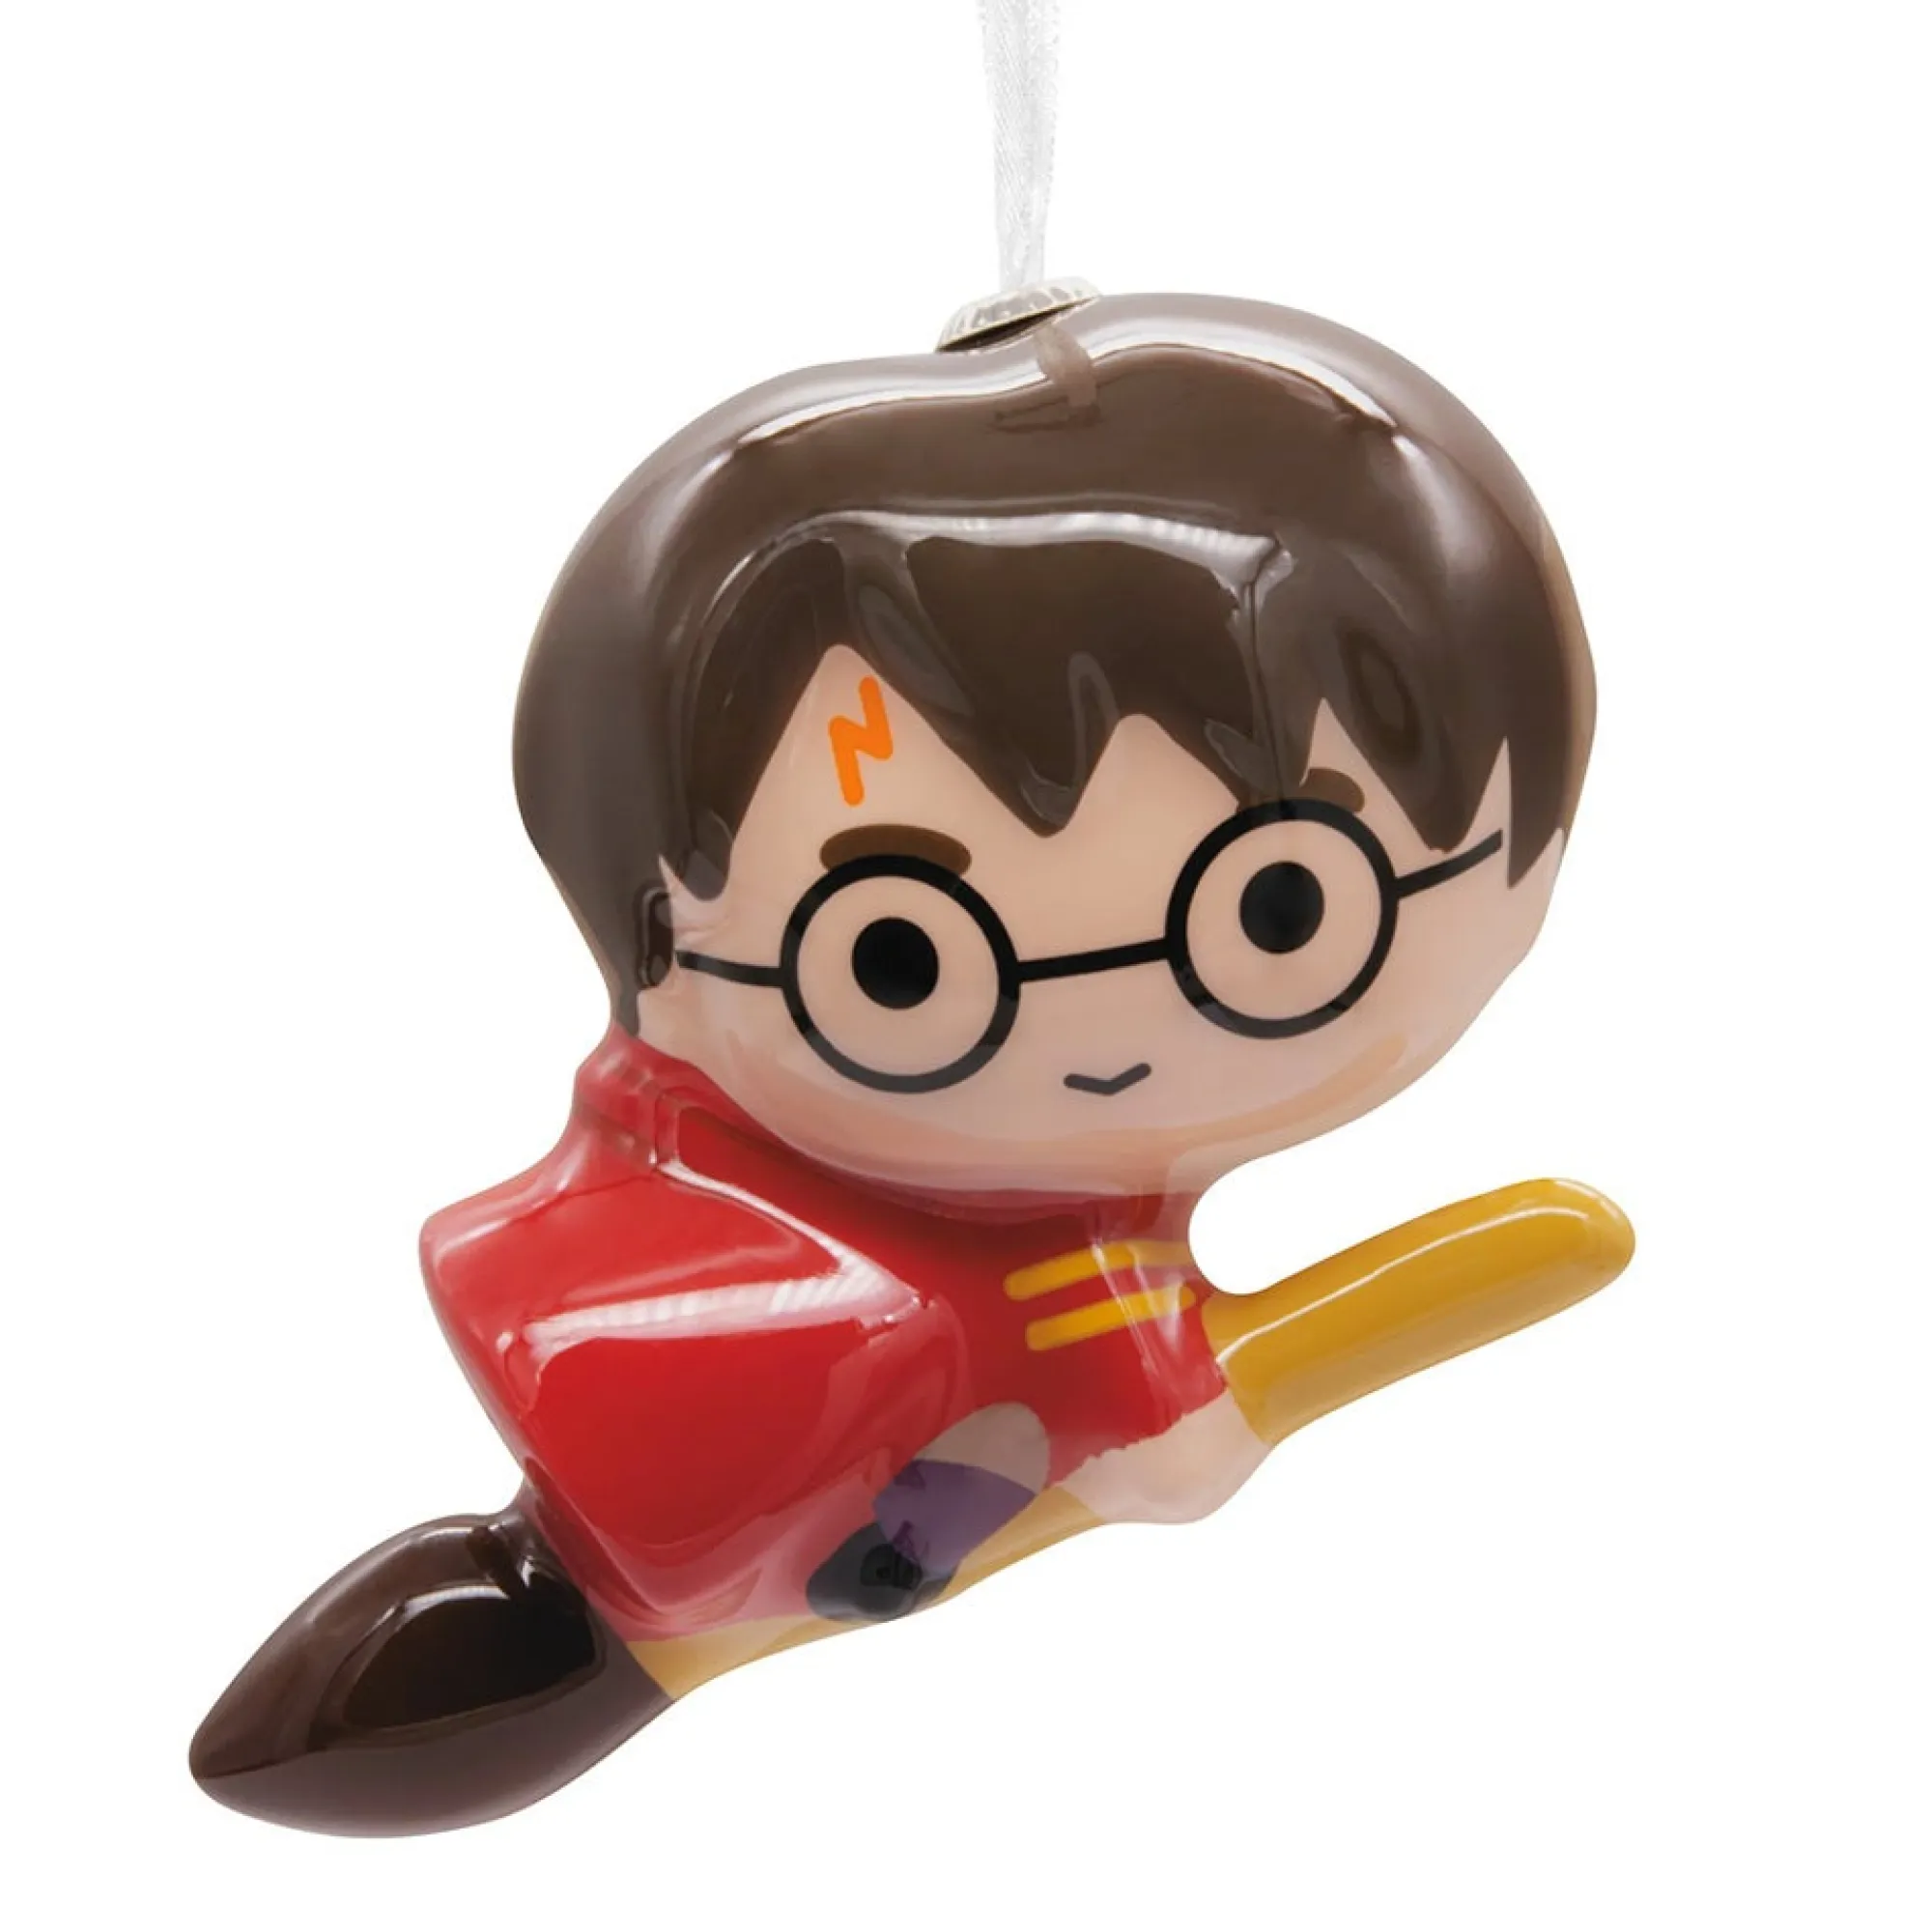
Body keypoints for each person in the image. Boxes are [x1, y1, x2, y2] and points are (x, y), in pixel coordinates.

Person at [190, 295, 1632, 1835]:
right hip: (762, 1383)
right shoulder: (761, 1217)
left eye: (1283, 912)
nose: (1105, 1050)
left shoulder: (1042, 1268)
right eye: (899, 959)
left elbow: (1103, 1391)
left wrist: (1144, 1413)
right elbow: (1070, 1402)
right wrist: (1142, 1426)